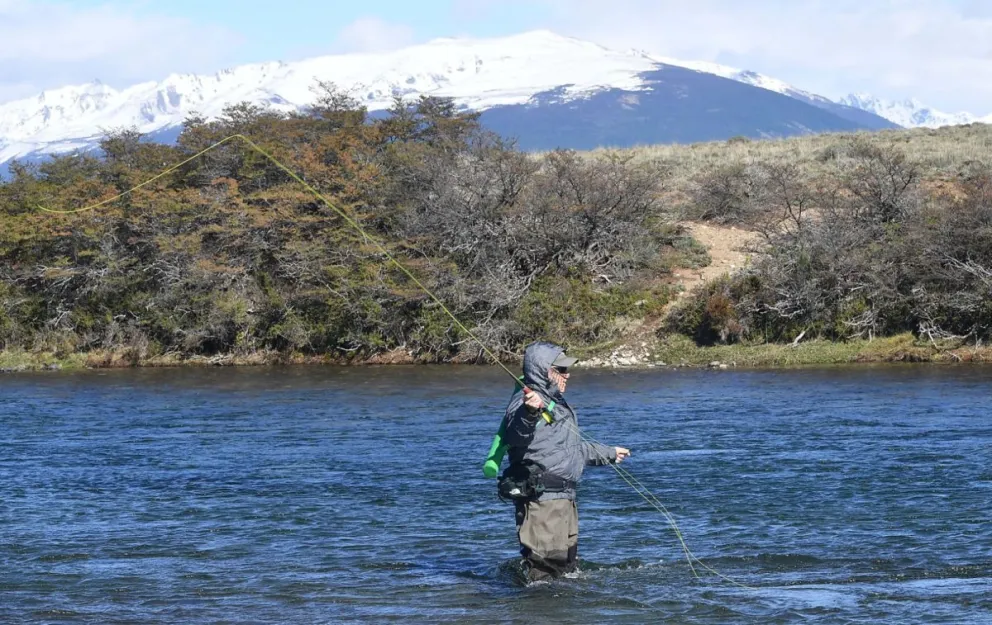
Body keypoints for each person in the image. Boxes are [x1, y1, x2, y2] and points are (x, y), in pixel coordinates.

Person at [501, 341, 630, 583]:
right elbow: (515, 435)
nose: (567, 375)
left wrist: (610, 453)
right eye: (560, 370)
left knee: (566, 569)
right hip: (543, 502)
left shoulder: (556, 404)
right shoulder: (524, 402)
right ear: (543, 371)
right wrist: (529, 413)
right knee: (543, 572)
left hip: (564, 501)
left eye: (566, 369)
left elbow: (570, 450)